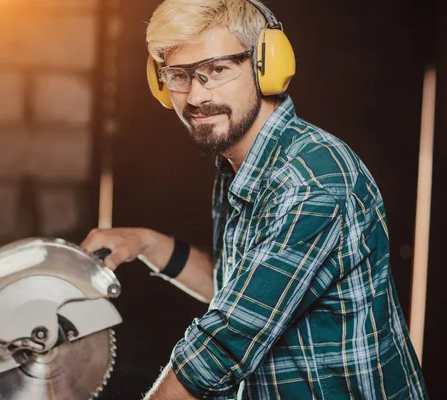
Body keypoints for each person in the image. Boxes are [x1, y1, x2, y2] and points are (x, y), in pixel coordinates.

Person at [81, 0, 428, 398]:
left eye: (217, 70)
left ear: (267, 65)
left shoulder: (310, 179)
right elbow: (240, 288)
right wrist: (146, 242)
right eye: (179, 75)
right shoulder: (245, 166)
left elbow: (223, 344)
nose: (196, 96)